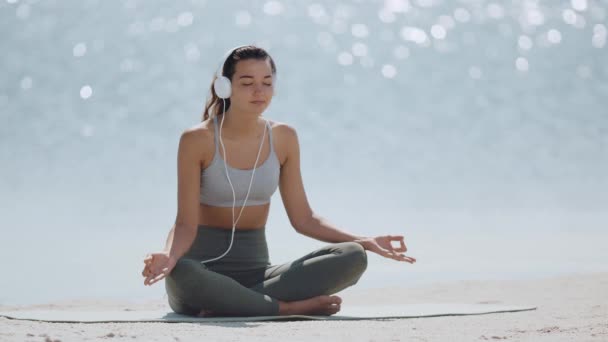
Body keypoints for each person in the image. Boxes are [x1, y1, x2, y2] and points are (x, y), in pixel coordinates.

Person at [141, 45, 416, 318]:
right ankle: (287, 308)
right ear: (224, 87)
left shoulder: (284, 137)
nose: (259, 91)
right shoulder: (197, 140)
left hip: (260, 276)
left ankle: (236, 303)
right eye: (247, 83)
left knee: (352, 256)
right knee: (184, 273)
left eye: (267, 82)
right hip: (202, 269)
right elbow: (185, 224)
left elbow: (304, 219)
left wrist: (365, 240)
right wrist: (168, 255)